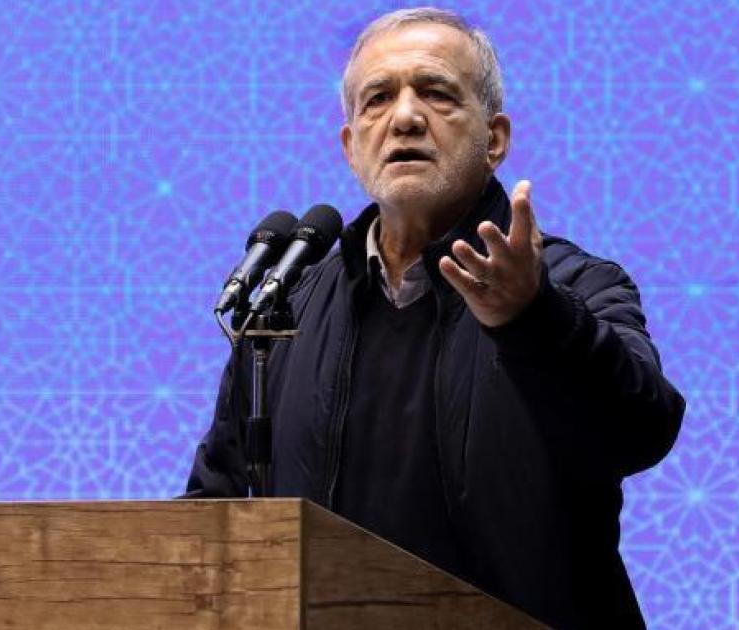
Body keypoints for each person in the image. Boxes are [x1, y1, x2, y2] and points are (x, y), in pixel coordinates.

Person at [186, 7, 685, 628]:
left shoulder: (571, 286)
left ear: (494, 139)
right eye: (377, 99)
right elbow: (212, 509)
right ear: (351, 147)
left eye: (436, 93)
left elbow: (640, 431)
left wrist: (530, 318)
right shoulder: (286, 312)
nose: (405, 117)